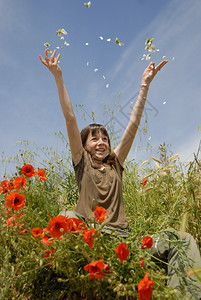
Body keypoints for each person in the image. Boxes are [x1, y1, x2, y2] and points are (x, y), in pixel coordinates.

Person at [39, 50, 201, 298]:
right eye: (94, 139)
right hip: (92, 240)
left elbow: (133, 124)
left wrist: (144, 85)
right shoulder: (81, 163)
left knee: (182, 240)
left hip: (125, 244)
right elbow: (70, 119)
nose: (101, 142)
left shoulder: (115, 164)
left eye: (105, 138)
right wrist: (58, 77)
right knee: (67, 215)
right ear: (83, 146)